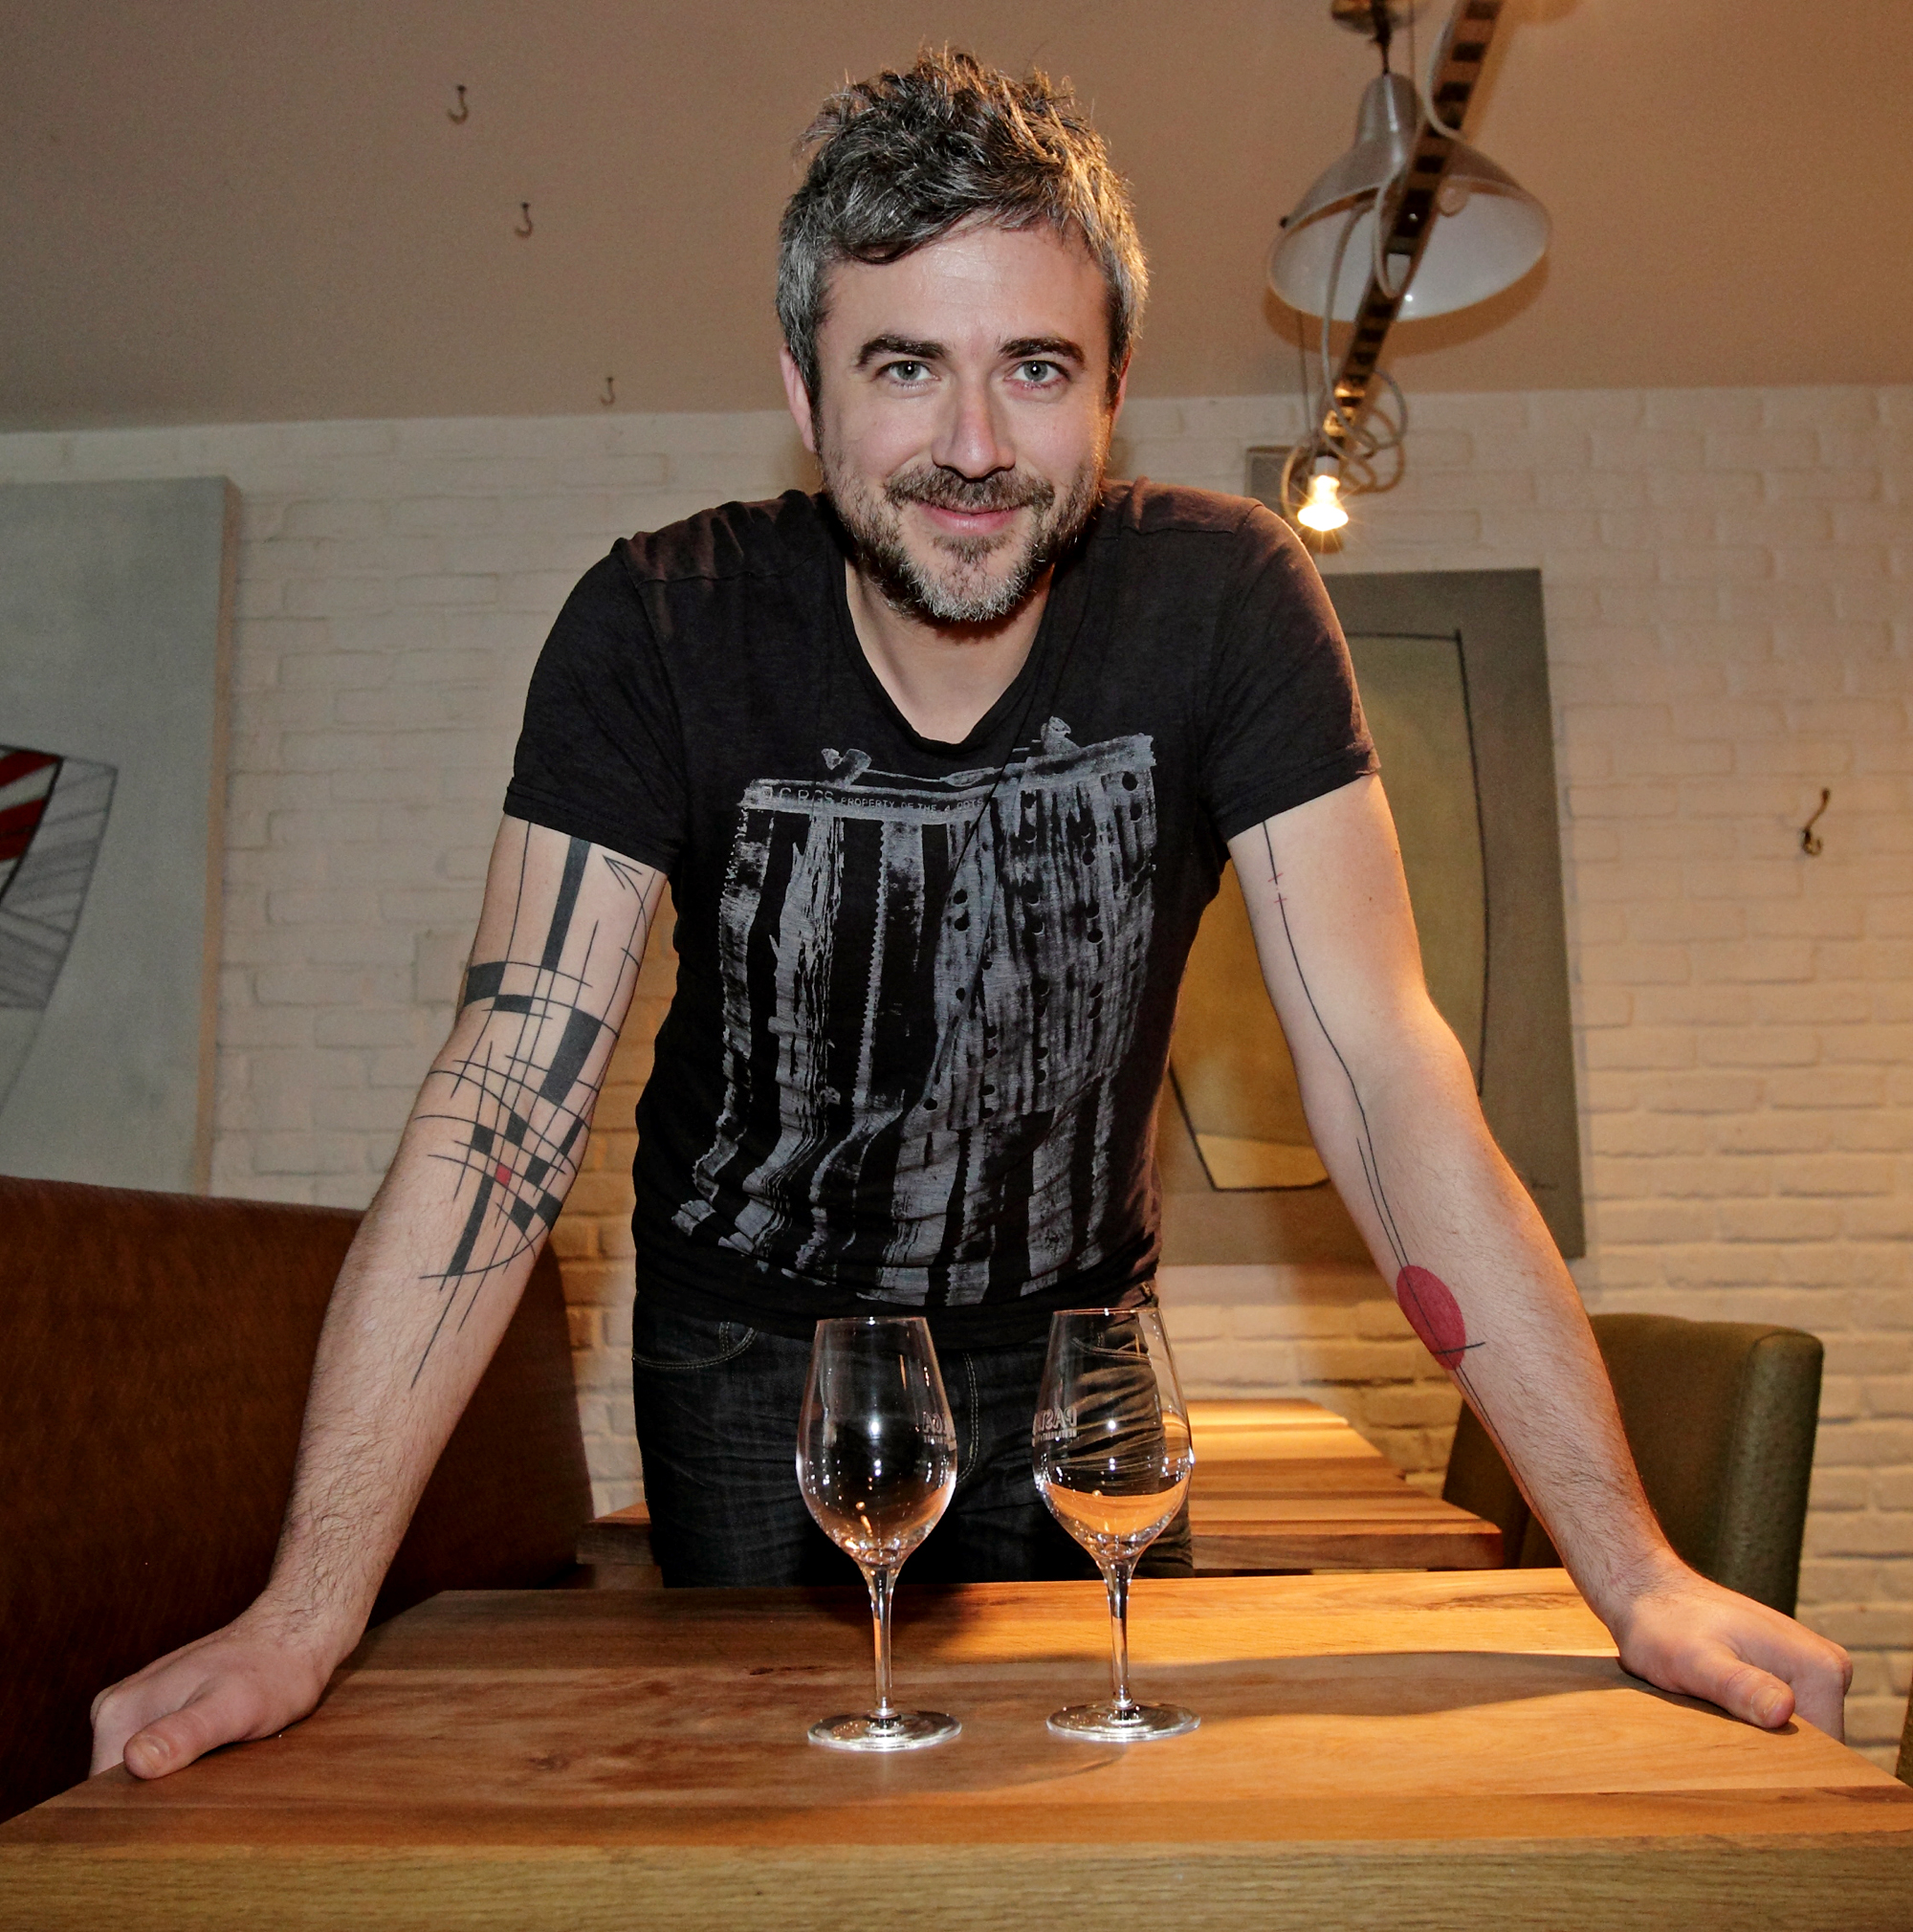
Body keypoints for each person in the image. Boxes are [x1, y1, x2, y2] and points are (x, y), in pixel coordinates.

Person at [91, 48, 1850, 1781]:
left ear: (1114, 386)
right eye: (905, 367)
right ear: (806, 391)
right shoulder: (657, 627)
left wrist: (1634, 1574)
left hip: (1084, 1343)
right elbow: (503, 1105)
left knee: (1110, 1800)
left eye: (1035, 367)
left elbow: (1390, 1076)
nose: (974, 446)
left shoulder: (1229, 602)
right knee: (781, 1803)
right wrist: (304, 1615)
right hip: (752, 1350)